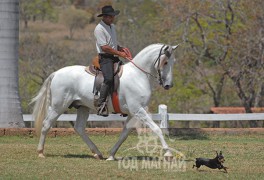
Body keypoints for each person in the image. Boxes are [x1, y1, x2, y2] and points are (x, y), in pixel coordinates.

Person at [94, 5, 128, 116]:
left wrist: (120, 48)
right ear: (105, 17)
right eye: (111, 16)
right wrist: (119, 53)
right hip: (105, 58)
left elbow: (112, 44)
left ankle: (122, 103)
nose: (113, 18)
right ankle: (101, 104)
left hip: (114, 56)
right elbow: (105, 47)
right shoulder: (99, 29)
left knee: (125, 76)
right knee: (108, 78)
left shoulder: (112, 26)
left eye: (113, 16)